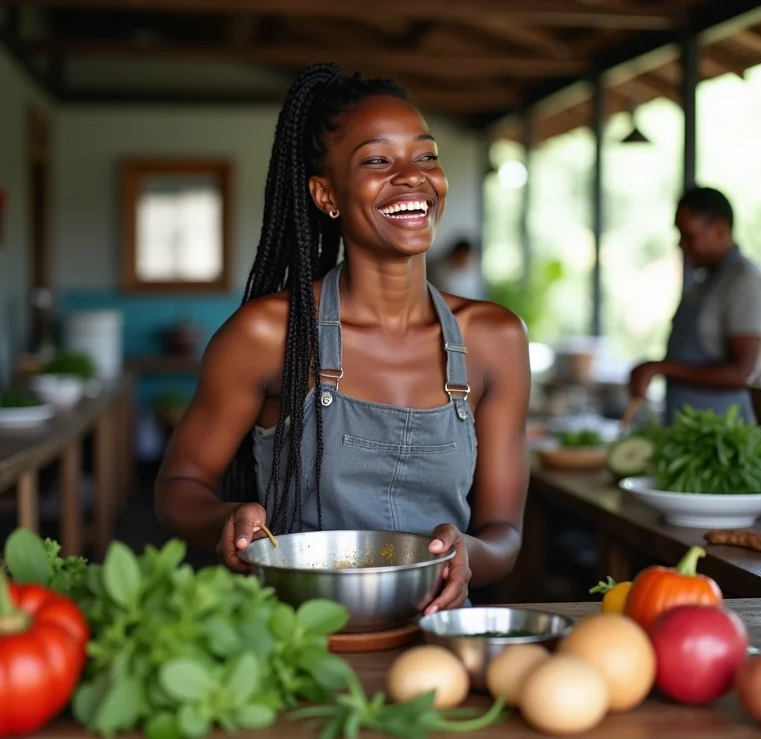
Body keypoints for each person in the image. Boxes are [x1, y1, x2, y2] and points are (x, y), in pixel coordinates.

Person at [154, 64, 531, 614]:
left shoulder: (495, 339)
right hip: (290, 636)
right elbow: (178, 487)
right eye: (379, 160)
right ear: (325, 193)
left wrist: (468, 553)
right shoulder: (267, 335)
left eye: (426, 156)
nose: (412, 176)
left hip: (435, 645)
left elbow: (505, 535)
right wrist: (227, 520)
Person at [629, 186, 761, 424]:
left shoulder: (743, 281)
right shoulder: (706, 279)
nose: (681, 244)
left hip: (721, 436)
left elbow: (744, 373)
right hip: (688, 431)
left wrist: (660, 368)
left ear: (719, 230)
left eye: (688, 235)